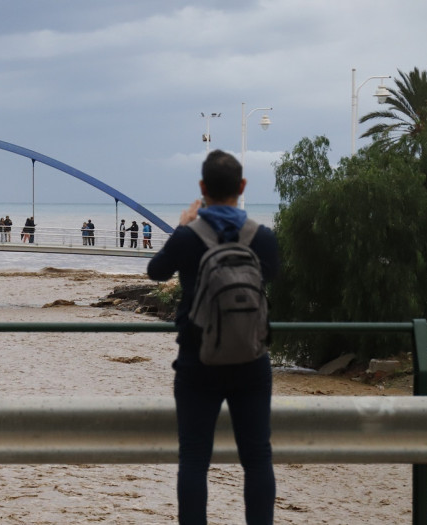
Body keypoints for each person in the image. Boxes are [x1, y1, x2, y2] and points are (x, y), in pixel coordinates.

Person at [146, 150, 279, 524]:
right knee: (257, 459)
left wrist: (184, 224)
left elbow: (156, 271)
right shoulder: (262, 238)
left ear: (202, 188)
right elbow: (274, 276)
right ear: (242, 187)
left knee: (193, 460)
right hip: (252, 362)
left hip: (197, 360)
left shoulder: (188, 238)